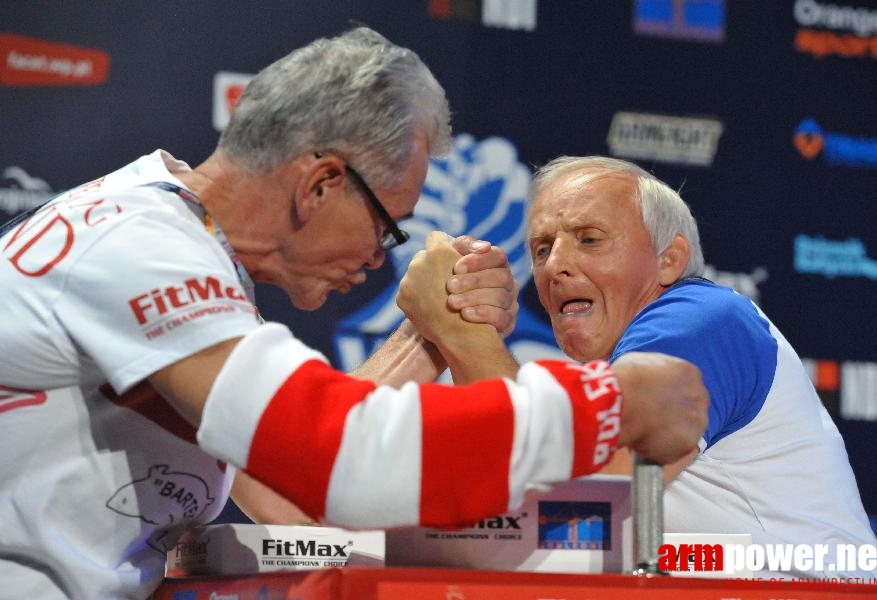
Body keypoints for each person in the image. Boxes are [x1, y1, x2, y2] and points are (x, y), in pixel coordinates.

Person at [0, 29, 709, 600]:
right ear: (320, 183)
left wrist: (430, 330)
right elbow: (334, 456)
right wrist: (604, 404)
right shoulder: (142, 248)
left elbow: (295, 477)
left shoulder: (179, 240)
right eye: (387, 225)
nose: (382, 258)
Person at [512, 154, 877, 581]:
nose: (555, 266)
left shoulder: (695, 319)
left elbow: (575, 512)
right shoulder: (624, 353)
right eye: (542, 249)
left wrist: (467, 338)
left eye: (589, 239)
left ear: (669, 259)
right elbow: (532, 503)